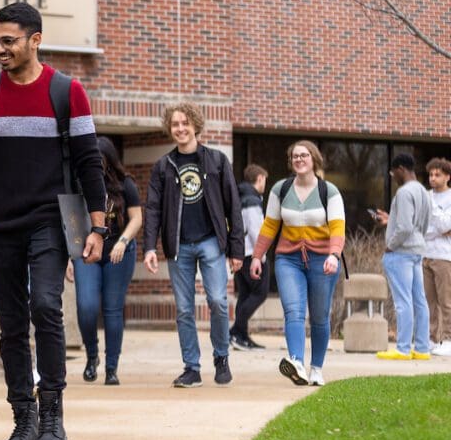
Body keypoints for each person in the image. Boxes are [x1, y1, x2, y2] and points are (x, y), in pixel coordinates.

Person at [0, 2, 106, 440]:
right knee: (12, 324)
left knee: (45, 307)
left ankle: (53, 417)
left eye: (8, 41)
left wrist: (97, 226)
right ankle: (24, 420)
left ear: (35, 40)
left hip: (50, 221)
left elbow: (88, 162)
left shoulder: (67, 91)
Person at [143, 102, 244, 388]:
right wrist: (150, 247)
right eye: (175, 124)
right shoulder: (163, 166)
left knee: (218, 301)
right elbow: (152, 209)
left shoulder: (216, 161)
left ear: (196, 126)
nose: (180, 129)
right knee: (185, 309)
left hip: (211, 241)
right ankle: (191, 367)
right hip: (179, 246)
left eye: (185, 123)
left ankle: (221, 357)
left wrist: (237, 250)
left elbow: (233, 206)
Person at [250, 141, 345, 386]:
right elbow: (270, 225)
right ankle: (297, 365)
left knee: (320, 317)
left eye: (304, 155)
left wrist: (334, 255)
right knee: (293, 311)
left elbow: (337, 228)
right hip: (288, 259)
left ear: (314, 159)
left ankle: (316, 368)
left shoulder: (329, 191)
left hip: (323, 260)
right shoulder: (280, 189)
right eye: (295, 156)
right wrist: (258, 255)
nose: (299, 159)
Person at [66, 137, 143, 385]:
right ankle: (92, 355)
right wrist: (69, 256)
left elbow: (137, 218)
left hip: (118, 254)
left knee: (112, 309)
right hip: (86, 253)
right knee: (86, 306)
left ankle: (112, 368)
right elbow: (71, 221)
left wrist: (123, 242)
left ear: (109, 160)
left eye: (98, 160)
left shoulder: (125, 184)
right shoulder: (77, 183)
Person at [376, 153, 431, 360]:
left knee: (403, 301)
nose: (393, 176)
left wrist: (391, 245)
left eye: (393, 172)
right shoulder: (424, 192)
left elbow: (405, 226)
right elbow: (423, 225)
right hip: (417, 250)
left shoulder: (404, 192)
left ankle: (403, 348)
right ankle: (422, 348)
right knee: (419, 300)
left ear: (400, 168)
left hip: (401, 253)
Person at [230, 164, 269, 351]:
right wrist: (260, 255)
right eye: (264, 180)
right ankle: (236, 331)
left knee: (245, 294)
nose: (264, 185)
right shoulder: (252, 200)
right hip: (251, 254)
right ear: (259, 178)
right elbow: (255, 230)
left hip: (240, 253)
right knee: (260, 293)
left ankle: (242, 336)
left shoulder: (240, 197)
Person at [423, 158, 451, 357]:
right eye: (431, 174)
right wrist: (438, 227)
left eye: (437, 174)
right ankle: (433, 339)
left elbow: (444, 226)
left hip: (444, 256)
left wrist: (437, 223)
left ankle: (448, 339)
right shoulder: (425, 196)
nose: (433, 178)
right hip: (425, 254)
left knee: (446, 301)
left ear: (447, 176)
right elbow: (423, 228)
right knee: (428, 301)